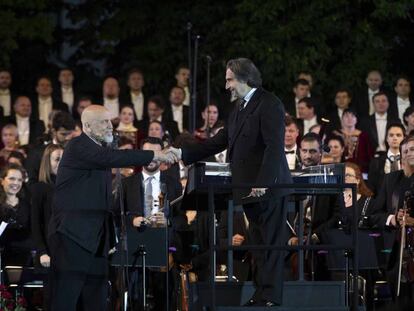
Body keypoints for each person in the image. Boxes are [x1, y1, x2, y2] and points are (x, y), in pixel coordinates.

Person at [168, 58, 292, 307]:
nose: (226, 86)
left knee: (270, 243)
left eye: (229, 80)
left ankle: (271, 296)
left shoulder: (268, 103)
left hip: (269, 188)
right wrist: (183, 153)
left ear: (245, 78)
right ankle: (261, 292)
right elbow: (218, 142)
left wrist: (264, 183)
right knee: (257, 244)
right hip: (247, 190)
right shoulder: (238, 110)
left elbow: (274, 147)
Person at [47, 105, 177, 310]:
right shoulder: (78, 146)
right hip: (72, 236)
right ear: (87, 126)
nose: (111, 127)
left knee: (97, 301)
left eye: (110, 122)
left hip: (96, 240)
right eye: (104, 122)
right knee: (65, 300)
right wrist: (156, 155)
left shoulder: (100, 150)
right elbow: (112, 158)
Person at [31, 144, 63, 310]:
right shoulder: (39, 189)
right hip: (48, 254)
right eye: (57, 159)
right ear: (47, 162)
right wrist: (42, 252)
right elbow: (35, 224)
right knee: (51, 298)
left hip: (67, 252)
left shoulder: (69, 188)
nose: (61, 163)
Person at [0, 164, 31, 267]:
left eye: (19, 180)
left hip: (23, 259)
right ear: (2, 181)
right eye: (12, 179)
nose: (16, 183)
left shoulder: (27, 205)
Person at [333, 108, 374, 174]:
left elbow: (369, 155)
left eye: (352, 116)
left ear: (356, 119)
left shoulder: (364, 136)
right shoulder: (335, 134)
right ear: (342, 119)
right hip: (339, 169)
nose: (350, 119)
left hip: (361, 171)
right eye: (346, 116)